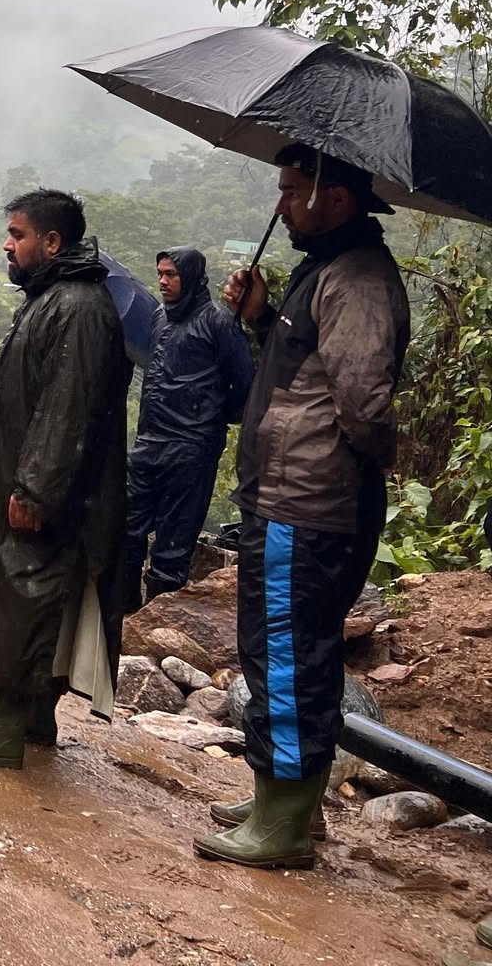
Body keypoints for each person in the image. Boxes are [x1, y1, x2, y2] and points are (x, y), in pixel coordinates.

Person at [195, 146, 408, 871]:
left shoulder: (358, 280)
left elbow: (362, 403)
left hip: (308, 504)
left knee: (286, 659)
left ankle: (283, 821)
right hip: (289, 496)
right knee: (282, 651)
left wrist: (366, 462)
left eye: (292, 191)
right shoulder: (325, 269)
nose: (281, 204)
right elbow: (305, 377)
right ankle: (288, 800)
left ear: (335, 198)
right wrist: (261, 319)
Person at [0, 188, 130, 770]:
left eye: (17, 235)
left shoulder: (76, 307)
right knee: (38, 596)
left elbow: (68, 407)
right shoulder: (57, 297)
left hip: (38, 488)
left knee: (20, 594)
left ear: (52, 242)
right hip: (23, 477)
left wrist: (36, 487)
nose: (7, 245)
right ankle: (34, 717)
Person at [120, 247, 254, 612]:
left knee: (173, 546)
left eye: (171, 275)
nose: (163, 281)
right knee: (125, 532)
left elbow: (246, 383)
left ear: (191, 277)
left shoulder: (219, 322)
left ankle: (158, 621)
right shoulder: (160, 317)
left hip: (191, 449)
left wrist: (210, 415)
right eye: (160, 274)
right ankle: (123, 616)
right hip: (149, 441)